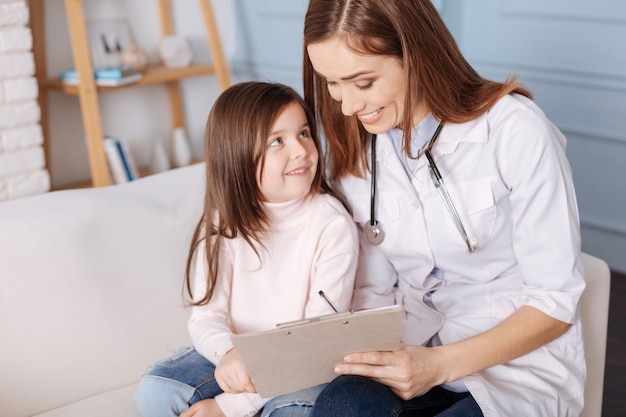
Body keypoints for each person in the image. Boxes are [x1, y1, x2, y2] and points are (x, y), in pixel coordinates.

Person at [301, 1, 586, 416]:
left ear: (415, 54)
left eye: (363, 83)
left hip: (514, 366)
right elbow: (374, 289)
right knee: (342, 405)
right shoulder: (356, 151)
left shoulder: (514, 131)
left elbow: (555, 303)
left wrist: (437, 366)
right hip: (410, 349)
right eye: (332, 84)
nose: (346, 106)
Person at [135, 81, 359, 417]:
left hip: (303, 362)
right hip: (240, 353)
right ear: (237, 155)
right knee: (157, 392)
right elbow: (206, 317)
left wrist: (229, 407)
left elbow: (316, 339)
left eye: (304, 133)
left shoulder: (331, 223)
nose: (300, 150)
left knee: (293, 413)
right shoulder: (221, 222)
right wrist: (227, 354)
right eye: (277, 141)